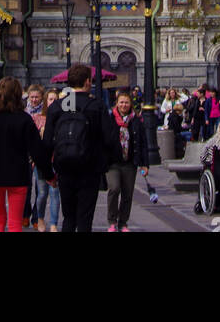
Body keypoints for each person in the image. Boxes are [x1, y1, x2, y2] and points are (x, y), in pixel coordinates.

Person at [42, 62, 120, 233]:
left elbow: (47, 142)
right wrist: (107, 163)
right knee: (85, 217)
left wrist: (48, 173)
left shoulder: (56, 107)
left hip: (64, 167)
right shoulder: (96, 106)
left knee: (68, 216)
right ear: (87, 82)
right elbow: (111, 138)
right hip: (89, 168)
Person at [0, 77, 53, 232]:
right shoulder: (24, 119)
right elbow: (38, 151)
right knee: (15, 222)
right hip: (18, 176)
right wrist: (49, 175)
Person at [105, 90, 149, 232]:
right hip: (113, 163)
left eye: (126, 102)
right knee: (114, 188)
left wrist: (145, 164)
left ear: (131, 104)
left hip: (130, 162)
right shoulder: (109, 119)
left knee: (127, 193)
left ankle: (123, 223)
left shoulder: (136, 120)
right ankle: (112, 220)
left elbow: (143, 143)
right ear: (116, 103)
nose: (124, 105)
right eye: (121, 102)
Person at [33, 89, 61, 232]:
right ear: (45, 101)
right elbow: (33, 141)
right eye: (50, 99)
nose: (53, 102)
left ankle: (54, 223)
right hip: (42, 160)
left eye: (56, 99)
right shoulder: (38, 118)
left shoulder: (62, 118)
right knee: (42, 193)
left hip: (57, 159)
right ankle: (40, 218)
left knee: (55, 192)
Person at [25, 83, 46, 229]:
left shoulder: (46, 112)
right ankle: (25, 214)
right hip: (25, 154)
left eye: (36, 97)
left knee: (40, 189)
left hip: (40, 154)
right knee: (25, 187)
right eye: (31, 97)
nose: (34, 100)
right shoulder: (24, 111)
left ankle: (36, 217)